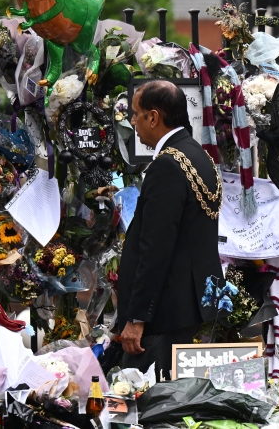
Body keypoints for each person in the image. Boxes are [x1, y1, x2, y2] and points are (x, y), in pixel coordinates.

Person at [118, 80, 223, 380]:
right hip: (189, 306)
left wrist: (137, 317)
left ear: (153, 117)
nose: (133, 122)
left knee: (146, 402)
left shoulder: (168, 165)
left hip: (161, 314)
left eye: (135, 114)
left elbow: (155, 249)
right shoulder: (199, 155)